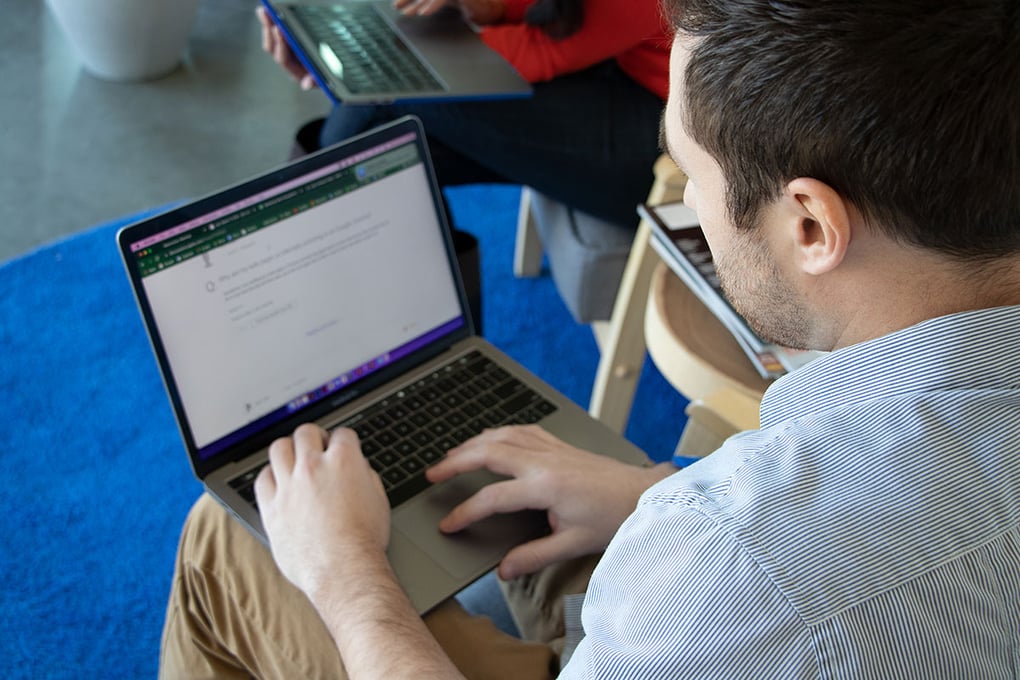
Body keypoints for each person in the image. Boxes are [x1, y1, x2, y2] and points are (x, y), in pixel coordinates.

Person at [161, 0, 1020, 677]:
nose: (686, 204)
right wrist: (650, 491)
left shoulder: (739, 559)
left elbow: (762, 587)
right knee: (506, 489)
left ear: (810, 225)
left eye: (691, 172)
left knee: (230, 535)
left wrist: (347, 575)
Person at [257, 0, 671, 226]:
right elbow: (559, 11)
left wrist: (346, 62)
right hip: (621, 69)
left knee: (389, 113)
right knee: (389, 149)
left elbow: (541, 50)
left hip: (678, 147)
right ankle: (423, 331)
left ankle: (273, 248)